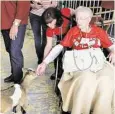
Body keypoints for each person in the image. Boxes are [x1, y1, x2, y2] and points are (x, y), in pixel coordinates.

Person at [36, 6, 114, 114]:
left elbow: (112, 46)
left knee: (107, 79)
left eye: (82, 18)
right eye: (77, 18)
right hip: (79, 63)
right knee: (86, 80)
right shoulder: (73, 31)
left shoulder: (99, 31)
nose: (78, 21)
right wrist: (44, 62)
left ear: (89, 19)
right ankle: (81, 110)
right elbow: (58, 47)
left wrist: (113, 51)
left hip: (97, 61)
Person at [41, 7, 76, 80]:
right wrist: (44, 62)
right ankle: (58, 72)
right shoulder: (49, 30)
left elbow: (76, 12)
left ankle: (71, 74)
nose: (49, 25)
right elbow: (48, 46)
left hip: (73, 34)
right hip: (61, 38)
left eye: (51, 22)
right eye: (47, 23)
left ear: (57, 17)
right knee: (57, 54)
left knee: (70, 55)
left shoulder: (65, 12)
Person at [1, 1, 30, 84]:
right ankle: (14, 74)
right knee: (10, 49)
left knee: (15, 50)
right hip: (4, 21)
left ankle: (17, 79)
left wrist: (16, 24)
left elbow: (24, 4)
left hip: (17, 22)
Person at [30, 0, 57, 64]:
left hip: (47, 16)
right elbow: (28, 3)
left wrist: (46, 6)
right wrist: (34, 5)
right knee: (37, 38)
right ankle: (40, 57)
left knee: (46, 38)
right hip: (34, 15)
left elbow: (55, 4)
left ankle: (44, 58)